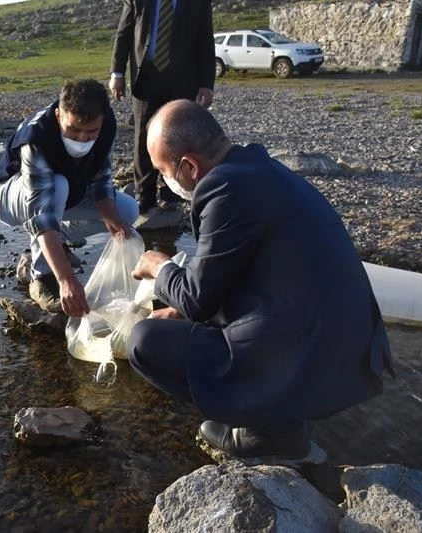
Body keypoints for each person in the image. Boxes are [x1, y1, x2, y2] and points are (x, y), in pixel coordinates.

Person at [127, 100, 395, 459]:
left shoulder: (224, 188)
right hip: (348, 354)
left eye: (163, 171)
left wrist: (160, 267)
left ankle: (267, 429)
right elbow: (240, 274)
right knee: (184, 320)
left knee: (143, 340)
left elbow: (196, 299)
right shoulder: (260, 170)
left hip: (309, 357)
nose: (164, 181)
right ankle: (281, 416)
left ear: (189, 166)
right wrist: (185, 309)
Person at [0, 79, 139, 317]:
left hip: (66, 192)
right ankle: (41, 276)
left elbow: (101, 180)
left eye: (91, 132)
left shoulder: (106, 123)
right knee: (57, 186)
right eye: (74, 130)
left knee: (128, 211)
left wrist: (114, 222)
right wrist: (66, 279)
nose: (82, 139)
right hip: (11, 195)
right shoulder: (37, 138)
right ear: (59, 115)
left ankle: (55, 248)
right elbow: (42, 214)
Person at [109, 0, 215, 214]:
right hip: (146, 78)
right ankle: (144, 197)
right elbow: (124, 33)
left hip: (183, 80)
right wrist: (117, 73)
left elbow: (205, 38)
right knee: (142, 138)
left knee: (178, 137)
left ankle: (172, 195)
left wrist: (207, 83)